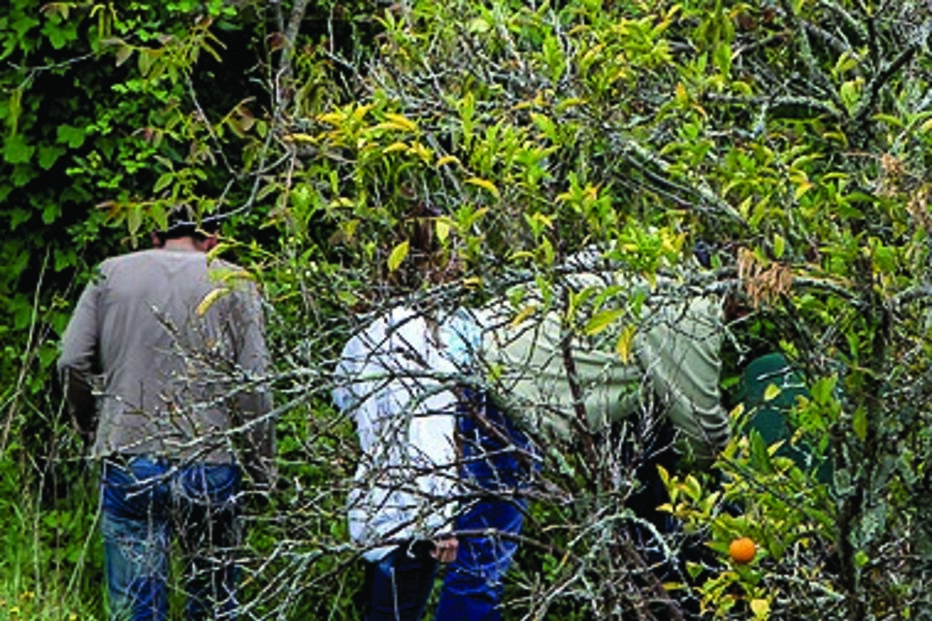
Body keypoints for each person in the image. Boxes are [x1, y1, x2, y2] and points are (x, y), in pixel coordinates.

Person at [434, 262, 731, 619]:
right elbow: (700, 423)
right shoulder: (691, 310)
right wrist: (735, 481)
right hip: (511, 397)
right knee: (483, 560)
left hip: (479, 365)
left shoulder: (652, 268)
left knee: (476, 552)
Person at [58, 206, 275, 621]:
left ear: (153, 236)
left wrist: (91, 426)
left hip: (129, 452)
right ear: (213, 238)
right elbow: (256, 385)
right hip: (211, 460)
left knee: (138, 606)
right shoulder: (235, 282)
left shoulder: (110, 274)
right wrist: (261, 468)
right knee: (212, 604)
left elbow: (71, 361)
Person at [332, 305, 460, 621]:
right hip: (411, 517)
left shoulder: (368, 331)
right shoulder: (425, 337)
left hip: (375, 505)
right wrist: (439, 522)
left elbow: (342, 395)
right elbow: (422, 434)